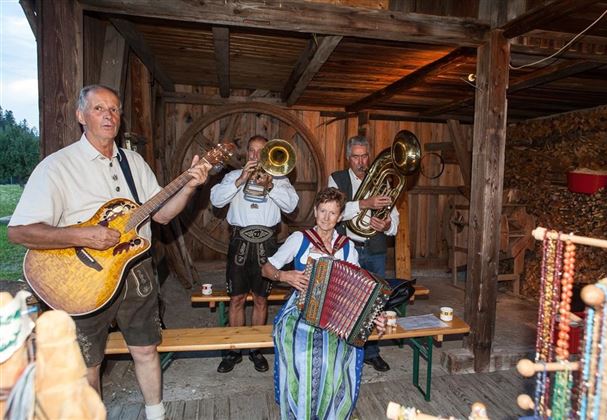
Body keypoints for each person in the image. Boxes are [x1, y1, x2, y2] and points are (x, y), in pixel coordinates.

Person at [8, 85, 212, 420]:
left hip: (135, 272)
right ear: (80, 116)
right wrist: (81, 235)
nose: (108, 115)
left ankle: (155, 414)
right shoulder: (57, 167)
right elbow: (19, 231)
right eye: (99, 108)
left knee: (146, 349)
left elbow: (160, 213)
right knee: (89, 362)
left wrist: (190, 185)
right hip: (82, 279)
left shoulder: (133, 162)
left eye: (114, 109)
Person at [261, 187, 386, 420]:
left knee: (335, 356)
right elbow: (267, 268)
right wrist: (286, 276)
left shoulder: (346, 246)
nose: (326, 218)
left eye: (332, 213)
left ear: (340, 217)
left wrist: (374, 314)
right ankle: (301, 410)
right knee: (303, 354)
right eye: (322, 211)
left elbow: (359, 288)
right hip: (299, 309)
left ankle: (330, 412)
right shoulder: (300, 239)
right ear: (315, 212)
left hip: (337, 314)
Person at [210, 135, 299, 373]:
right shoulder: (231, 177)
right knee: (236, 298)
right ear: (246, 153)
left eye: (261, 151)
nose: (255, 156)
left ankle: (256, 348)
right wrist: (239, 181)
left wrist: (269, 185)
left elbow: (291, 207)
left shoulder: (280, 180)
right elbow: (216, 201)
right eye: (251, 151)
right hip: (239, 243)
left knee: (261, 299)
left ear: (268, 154)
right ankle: (233, 349)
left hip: (267, 245)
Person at [328, 135, 399, 372]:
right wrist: (364, 204)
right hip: (348, 250)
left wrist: (387, 225)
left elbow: (395, 220)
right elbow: (333, 211)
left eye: (364, 156)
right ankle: (344, 351)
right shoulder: (336, 179)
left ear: (369, 156)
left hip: (375, 249)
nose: (360, 161)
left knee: (375, 303)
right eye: (356, 156)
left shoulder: (385, 181)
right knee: (346, 303)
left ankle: (371, 352)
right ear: (348, 158)